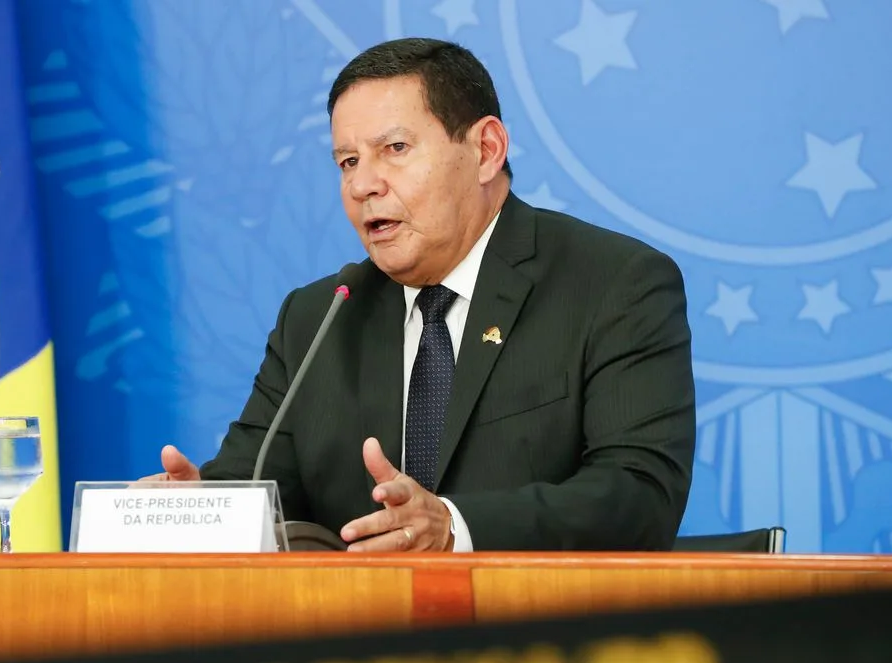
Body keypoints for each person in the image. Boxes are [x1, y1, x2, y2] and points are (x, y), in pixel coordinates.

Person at [141, 37, 695, 552]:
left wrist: (454, 527)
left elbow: (640, 496)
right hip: (360, 647)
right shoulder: (320, 317)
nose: (362, 185)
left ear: (485, 149)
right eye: (348, 162)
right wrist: (201, 509)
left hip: (542, 644)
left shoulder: (612, 283)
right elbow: (259, 482)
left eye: (395, 148)